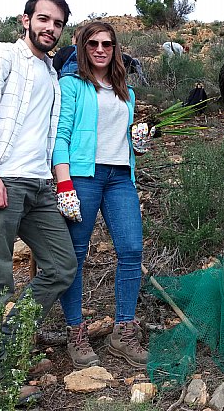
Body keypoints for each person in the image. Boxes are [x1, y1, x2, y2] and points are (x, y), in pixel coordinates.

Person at [0, 0, 77, 398]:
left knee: (62, 266)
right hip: (1, 179)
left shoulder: (52, 73)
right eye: (44, 19)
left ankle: (4, 343)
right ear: (25, 20)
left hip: (38, 184)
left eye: (58, 23)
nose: (50, 28)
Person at [52, 21, 152, 369]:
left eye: (107, 44)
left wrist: (137, 144)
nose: (99, 49)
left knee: (131, 249)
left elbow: (122, 137)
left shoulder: (126, 90)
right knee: (75, 256)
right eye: (92, 43)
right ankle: (75, 331)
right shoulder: (72, 85)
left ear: (115, 48)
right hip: (83, 176)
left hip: (120, 177)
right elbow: (60, 137)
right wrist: (64, 184)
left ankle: (123, 329)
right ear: (82, 46)